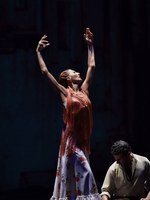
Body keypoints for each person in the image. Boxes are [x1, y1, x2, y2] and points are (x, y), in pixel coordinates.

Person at [36, 28, 100, 200]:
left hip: (83, 141)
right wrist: (38, 52)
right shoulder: (65, 93)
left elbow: (92, 66)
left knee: (77, 176)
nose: (78, 73)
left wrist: (90, 45)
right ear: (69, 78)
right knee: (86, 173)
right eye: (74, 72)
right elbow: (45, 72)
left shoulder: (84, 91)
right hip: (71, 144)